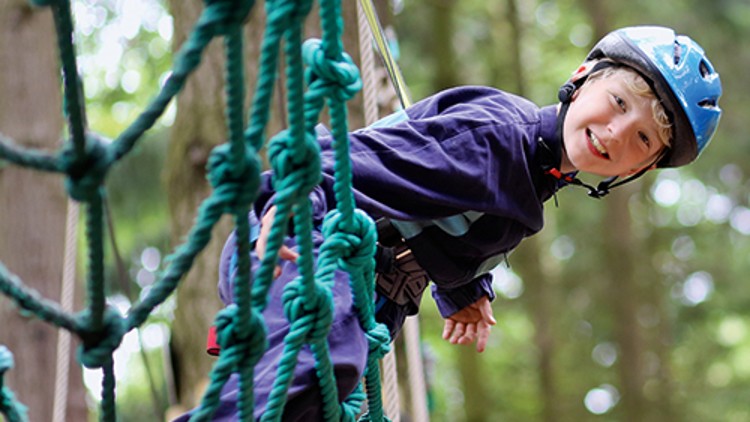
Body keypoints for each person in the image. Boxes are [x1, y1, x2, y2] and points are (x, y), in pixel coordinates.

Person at [175, 25, 722, 421]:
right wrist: (288, 203)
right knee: (316, 374)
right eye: (618, 100)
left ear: (641, 167)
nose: (618, 132)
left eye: (644, 139)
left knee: (332, 400)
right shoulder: (493, 142)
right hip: (307, 245)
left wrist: (466, 288)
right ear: (582, 79)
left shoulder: (538, 170)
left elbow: (453, 219)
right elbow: (346, 164)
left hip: (365, 296)